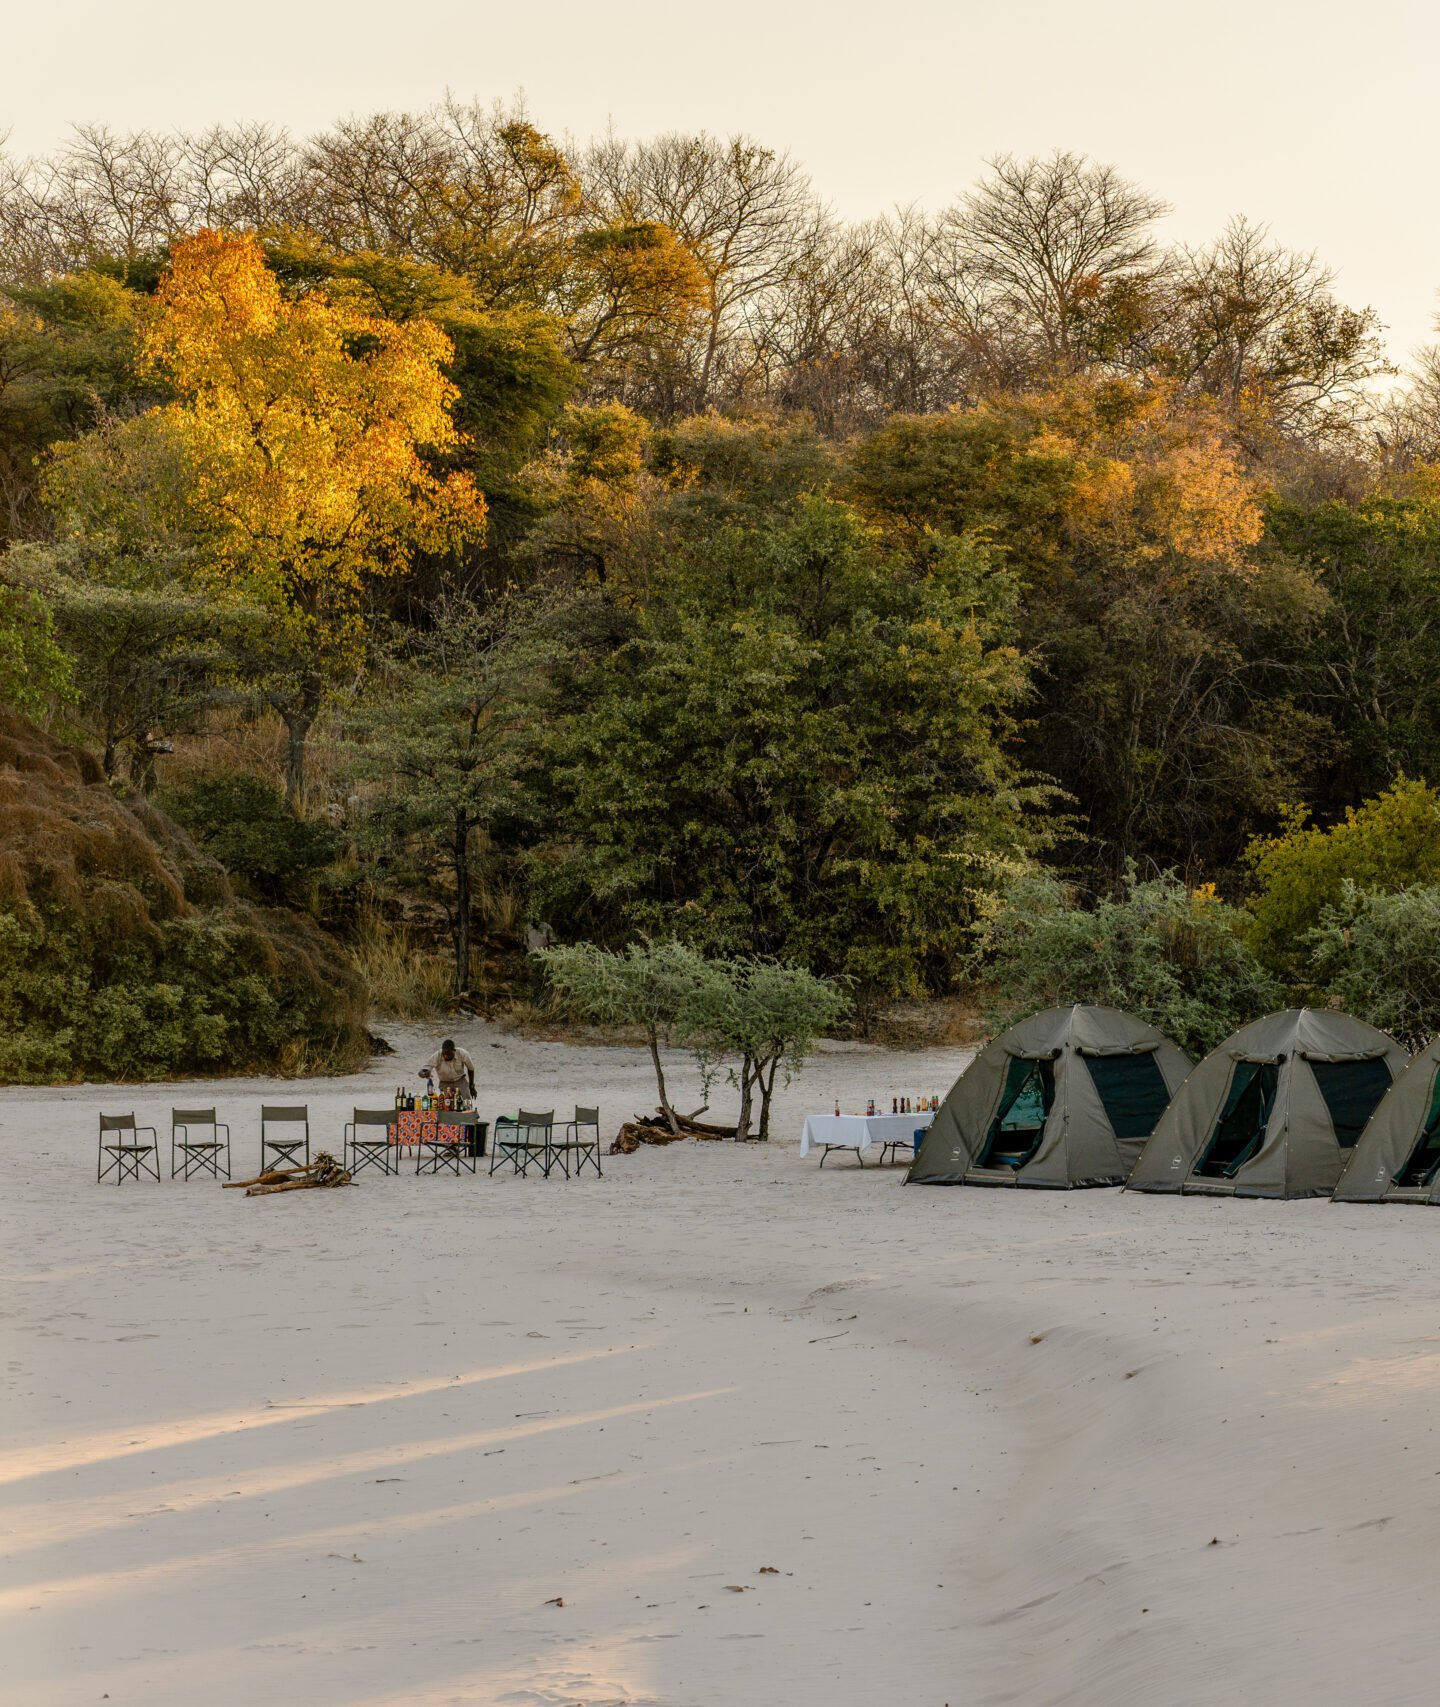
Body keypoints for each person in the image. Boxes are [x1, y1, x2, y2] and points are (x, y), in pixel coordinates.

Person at [419, 1038, 477, 1108]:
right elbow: (422, 1071)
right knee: (448, 1106)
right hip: (445, 1083)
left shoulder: (462, 1054)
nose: (445, 1056)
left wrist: (471, 1086)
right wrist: (424, 1074)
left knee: (466, 1103)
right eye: (444, 1054)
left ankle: (468, 1114)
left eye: (448, 1054)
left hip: (460, 1081)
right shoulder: (437, 1055)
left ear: (454, 1051)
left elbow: (471, 1069)